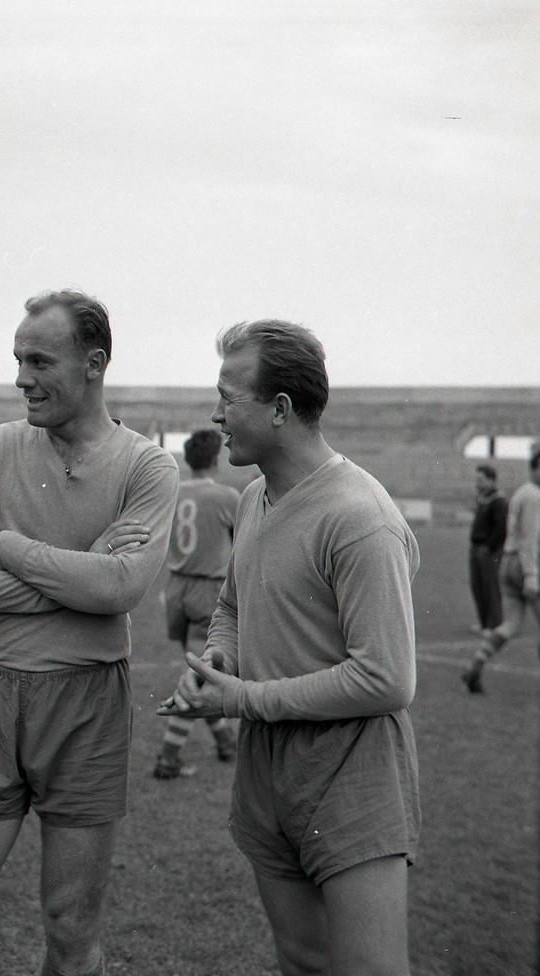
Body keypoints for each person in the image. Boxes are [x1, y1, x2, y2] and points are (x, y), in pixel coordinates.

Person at [0, 290, 178, 976]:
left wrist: (4, 545)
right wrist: (79, 582)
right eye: (18, 359)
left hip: (87, 707)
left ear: (94, 363)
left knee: (70, 929)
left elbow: (121, 589)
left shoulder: (147, 467)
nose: (22, 377)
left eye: (39, 360)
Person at [161, 320, 420, 976]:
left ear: (280, 409)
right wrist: (219, 660)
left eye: (228, 397)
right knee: (302, 962)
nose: (216, 415)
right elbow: (231, 608)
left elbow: (388, 678)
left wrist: (242, 697)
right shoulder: (253, 498)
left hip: (351, 772)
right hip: (267, 771)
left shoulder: (360, 518)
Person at [152, 428, 239, 780]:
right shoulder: (227, 496)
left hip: (176, 590)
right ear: (216, 459)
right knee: (200, 676)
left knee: (200, 668)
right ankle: (168, 757)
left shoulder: (173, 493)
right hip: (208, 591)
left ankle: (226, 742)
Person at [462, 445, 540, 693]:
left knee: (510, 625)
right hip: (524, 565)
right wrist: (531, 575)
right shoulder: (534, 496)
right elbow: (529, 539)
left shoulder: (521, 493)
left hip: (508, 563)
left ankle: (476, 664)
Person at [467, 463, 507, 633]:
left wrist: (489, 547)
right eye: (476, 480)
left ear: (491, 480)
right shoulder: (482, 498)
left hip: (488, 550)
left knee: (490, 586)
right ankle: (484, 623)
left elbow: (500, 528)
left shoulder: (499, 501)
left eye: (481, 480)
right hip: (475, 548)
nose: (477, 483)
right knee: (477, 586)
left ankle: (495, 624)